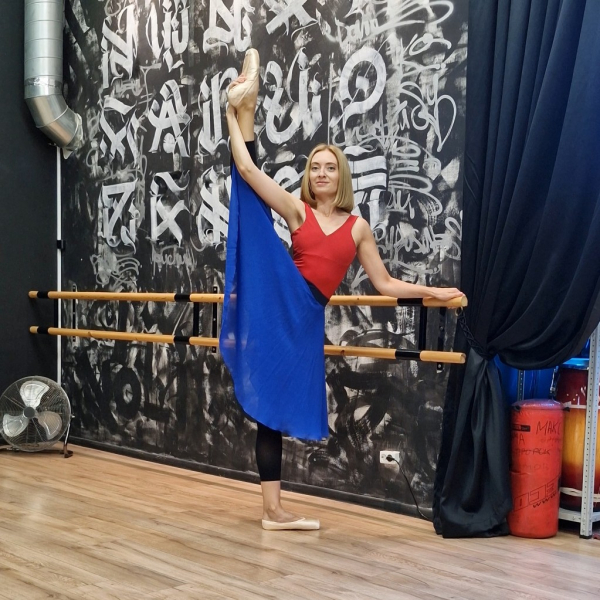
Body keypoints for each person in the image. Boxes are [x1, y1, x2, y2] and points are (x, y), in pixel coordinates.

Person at [220, 49, 463, 531]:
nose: (321, 174)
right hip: (282, 296)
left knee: (274, 409)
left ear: (342, 176)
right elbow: (248, 172)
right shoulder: (298, 210)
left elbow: (385, 283)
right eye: (315, 168)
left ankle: (273, 512)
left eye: (329, 168)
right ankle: (243, 108)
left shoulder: (357, 228)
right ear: (309, 178)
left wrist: (435, 294)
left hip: (305, 317)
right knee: (251, 203)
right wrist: (226, 115)